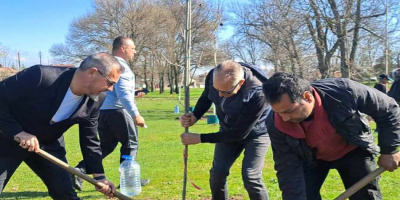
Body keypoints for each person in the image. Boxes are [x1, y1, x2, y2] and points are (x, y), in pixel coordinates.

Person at [0, 53, 121, 199]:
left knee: (66, 195)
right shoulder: (41, 76)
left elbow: (90, 138)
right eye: (110, 83)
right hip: (6, 140)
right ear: (92, 73)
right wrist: (18, 131)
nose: (110, 89)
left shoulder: (96, 99)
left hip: (49, 145)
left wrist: (99, 176)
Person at [263, 72, 400, 200]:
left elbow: (388, 109)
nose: (285, 118)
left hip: (353, 150)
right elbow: (287, 166)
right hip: (311, 158)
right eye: (279, 112)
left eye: (289, 111)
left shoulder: (344, 90)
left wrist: (390, 150)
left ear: (307, 97)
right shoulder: (275, 122)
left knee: (365, 196)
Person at [180, 60, 271, 200]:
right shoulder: (215, 76)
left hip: (256, 133)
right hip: (227, 129)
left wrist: (200, 138)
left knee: (251, 176)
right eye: (217, 90)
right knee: (218, 173)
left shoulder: (259, 92)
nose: (220, 95)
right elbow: (206, 96)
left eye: (225, 92)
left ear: (240, 83)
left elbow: (239, 133)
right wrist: (195, 115)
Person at [72, 36, 149, 191]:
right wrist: (135, 114)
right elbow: (122, 94)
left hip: (102, 111)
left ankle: (79, 171)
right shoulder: (120, 67)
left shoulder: (105, 64)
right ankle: (129, 180)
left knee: (106, 145)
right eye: (132, 48)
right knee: (130, 144)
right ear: (123, 48)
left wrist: (133, 93)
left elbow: (113, 90)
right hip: (118, 111)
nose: (135, 51)